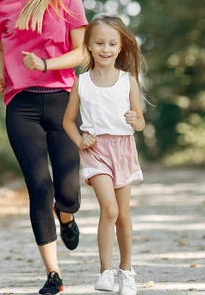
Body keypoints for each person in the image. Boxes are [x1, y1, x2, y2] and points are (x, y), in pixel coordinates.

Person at [0, 0, 88, 295]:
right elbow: (2, 47)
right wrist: (1, 78)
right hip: (20, 105)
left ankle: (66, 215)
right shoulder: (3, 6)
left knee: (67, 191)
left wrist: (46, 63)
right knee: (39, 187)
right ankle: (53, 274)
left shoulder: (68, 0)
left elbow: (83, 53)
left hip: (62, 101)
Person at [63, 15, 146, 295]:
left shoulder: (128, 81)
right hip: (96, 151)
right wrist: (81, 139)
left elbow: (141, 122)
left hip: (123, 149)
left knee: (123, 215)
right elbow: (68, 121)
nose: (105, 49)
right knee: (108, 209)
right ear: (88, 46)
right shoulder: (81, 82)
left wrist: (136, 119)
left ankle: (127, 271)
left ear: (121, 47)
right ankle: (105, 272)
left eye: (112, 43)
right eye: (99, 43)